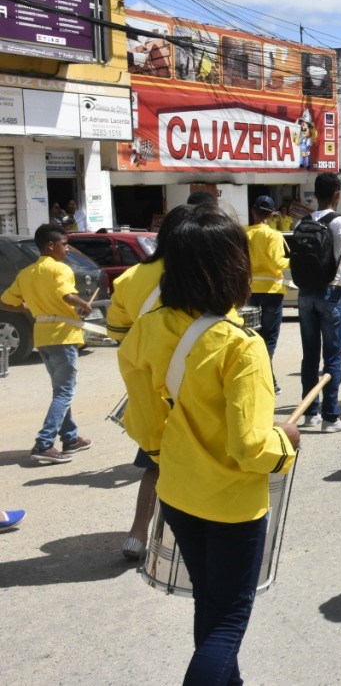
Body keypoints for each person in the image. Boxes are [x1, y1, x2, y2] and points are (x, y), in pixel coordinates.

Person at [120, 204, 299, 685]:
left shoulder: (148, 327)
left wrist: (168, 455)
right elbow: (251, 450)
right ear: (234, 266)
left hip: (178, 494)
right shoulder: (241, 345)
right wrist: (288, 442)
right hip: (233, 507)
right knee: (227, 623)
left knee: (209, 605)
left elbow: (145, 425)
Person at [105, 205, 189, 560]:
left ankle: (139, 531)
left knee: (154, 461)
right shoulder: (202, 274)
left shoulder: (129, 279)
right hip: (194, 382)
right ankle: (187, 537)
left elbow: (117, 333)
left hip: (150, 385)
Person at [1, 224, 94, 464]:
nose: (67, 248)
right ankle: (44, 443)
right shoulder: (59, 269)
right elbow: (66, 296)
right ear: (50, 245)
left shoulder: (26, 273)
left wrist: (23, 307)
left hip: (43, 337)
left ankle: (70, 437)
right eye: (64, 244)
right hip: (62, 337)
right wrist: (84, 305)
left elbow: (4, 302)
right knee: (64, 391)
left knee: (60, 391)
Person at [297, 173, 341, 432]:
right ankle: (331, 417)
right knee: (332, 357)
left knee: (309, 355)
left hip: (305, 294)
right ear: (336, 195)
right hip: (330, 293)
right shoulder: (339, 221)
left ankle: (310, 412)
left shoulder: (304, 221)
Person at [245, 196, 288, 391]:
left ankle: (268, 379)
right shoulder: (274, 235)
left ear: (253, 211)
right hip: (272, 291)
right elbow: (277, 263)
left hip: (250, 290)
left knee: (253, 336)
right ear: (271, 215)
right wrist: (295, 260)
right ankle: (265, 378)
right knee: (269, 339)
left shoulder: (243, 234)